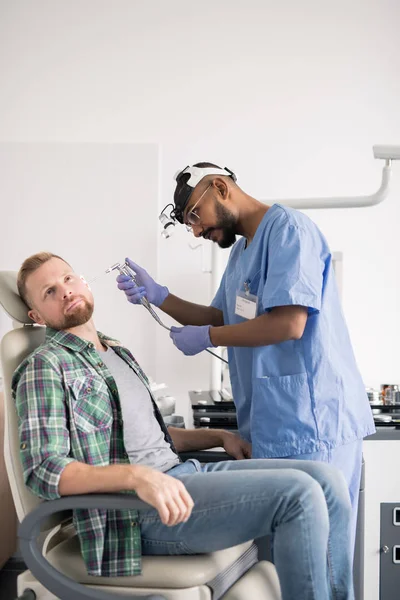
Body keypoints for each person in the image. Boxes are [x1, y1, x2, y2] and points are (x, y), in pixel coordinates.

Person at [12, 251, 355, 600]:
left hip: (180, 475)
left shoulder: (115, 351)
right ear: (36, 315)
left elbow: (150, 435)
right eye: (49, 292)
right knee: (299, 494)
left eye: (67, 279)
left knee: (327, 480)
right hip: (135, 512)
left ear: (83, 281)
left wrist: (218, 436)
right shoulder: (45, 366)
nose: (65, 291)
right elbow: (43, 469)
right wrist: (135, 476)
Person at [116, 162, 375, 545]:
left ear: (220, 187)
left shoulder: (289, 231)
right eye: (189, 224)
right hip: (273, 425)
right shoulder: (241, 254)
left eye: (194, 216)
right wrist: (161, 297)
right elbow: (222, 316)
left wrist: (209, 336)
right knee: (288, 560)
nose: (197, 230)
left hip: (314, 421)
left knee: (322, 555)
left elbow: (289, 324)